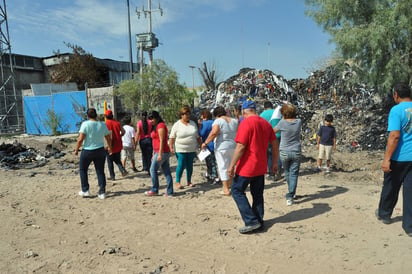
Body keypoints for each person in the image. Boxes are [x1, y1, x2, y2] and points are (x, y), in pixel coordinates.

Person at [228, 100, 278, 234]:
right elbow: (274, 144)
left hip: (247, 166)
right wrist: (274, 162)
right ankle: (259, 220)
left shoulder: (246, 124)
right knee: (257, 194)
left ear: (244, 111)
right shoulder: (265, 124)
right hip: (260, 166)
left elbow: (240, 147)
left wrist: (231, 165)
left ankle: (251, 221)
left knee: (236, 190)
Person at [376, 82, 412, 237]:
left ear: (396, 94)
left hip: (399, 157)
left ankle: (384, 214)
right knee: (411, 191)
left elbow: (394, 136)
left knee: (390, 186)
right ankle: (409, 226)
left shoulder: (396, 110)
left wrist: (386, 159)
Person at [74, 108, 112, 200]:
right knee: (100, 171)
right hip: (100, 150)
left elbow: (80, 139)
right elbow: (108, 137)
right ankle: (102, 192)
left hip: (87, 150)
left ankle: (85, 190)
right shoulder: (102, 124)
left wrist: (76, 149)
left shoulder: (85, 124)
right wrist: (110, 147)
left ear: (87, 115)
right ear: (96, 115)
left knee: (83, 169)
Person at [201, 106, 238, 195]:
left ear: (216, 115)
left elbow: (214, 132)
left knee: (223, 167)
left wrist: (205, 143)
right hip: (233, 146)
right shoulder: (234, 121)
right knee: (231, 167)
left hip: (222, 146)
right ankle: (231, 185)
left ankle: (225, 189)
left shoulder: (218, 121)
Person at [274, 103, 302, 206]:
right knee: (294, 173)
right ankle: (291, 194)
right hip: (296, 151)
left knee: (287, 172)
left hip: (284, 151)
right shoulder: (298, 122)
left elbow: (273, 131)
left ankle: (291, 193)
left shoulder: (282, 123)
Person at [169, 105, 202, 189]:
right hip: (180, 148)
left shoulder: (193, 123)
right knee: (181, 164)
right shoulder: (177, 124)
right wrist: (171, 147)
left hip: (191, 148)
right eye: (185, 114)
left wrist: (201, 145)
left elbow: (197, 136)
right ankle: (177, 181)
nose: (187, 116)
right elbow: (172, 137)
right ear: (181, 115)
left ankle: (189, 181)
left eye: (188, 114)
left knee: (190, 165)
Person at [144, 110, 174, 197]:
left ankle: (155, 189)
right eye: (149, 119)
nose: (151, 121)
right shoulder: (155, 126)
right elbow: (155, 141)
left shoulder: (160, 126)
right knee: (166, 171)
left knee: (152, 169)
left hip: (163, 151)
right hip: (158, 151)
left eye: (152, 119)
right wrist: (154, 153)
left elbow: (162, 140)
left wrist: (160, 154)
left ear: (156, 118)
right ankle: (169, 191)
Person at [260, 101, 282, 180]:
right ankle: (278, 170)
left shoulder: (262, 115)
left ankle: (271, 173)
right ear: (272, 106)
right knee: (277, 152)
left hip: (268, 137)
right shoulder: (278, 113)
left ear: (264, 107)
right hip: (278, 135)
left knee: (269, 155)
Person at [198, 109, 219, 184]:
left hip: (208, 145)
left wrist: (199, 127)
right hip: (215, 144)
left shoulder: (205, 123)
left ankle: (214, 176)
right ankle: (211, 174)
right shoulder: (214, 122)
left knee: (210, 162)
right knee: (214, 161)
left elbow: (201, 133)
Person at [105, 109, 127, 180]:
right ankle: (122, 170)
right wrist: (119, 136)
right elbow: (123, 132)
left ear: (106, 116)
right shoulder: (117, 123)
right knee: (117, 159)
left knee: (110, 161)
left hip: (109, 144)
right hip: (118, 144)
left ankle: (112, 176)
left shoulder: (105, 124)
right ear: (112, 116)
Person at [135, 111, 153, 176]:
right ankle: (149, 168)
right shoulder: (150, 122)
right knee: (149, 155)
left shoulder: (139, 123)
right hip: (149, 139)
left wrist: (135, 142)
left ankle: (145, 167)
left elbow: (138, 133)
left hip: (142, 140)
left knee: (144, 154)